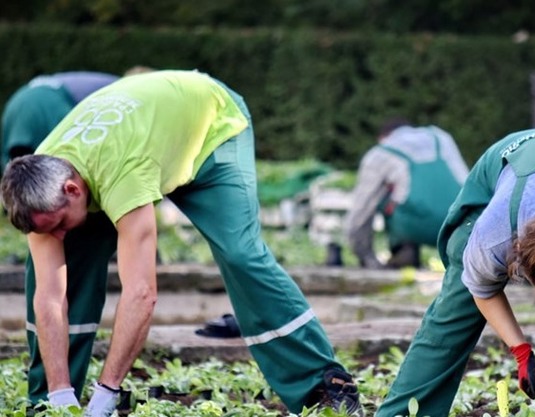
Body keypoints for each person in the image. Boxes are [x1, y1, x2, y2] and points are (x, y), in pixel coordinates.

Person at [0, 70, 362, 416]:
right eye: (47, 230)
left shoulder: (123, 172)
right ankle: (49, 402)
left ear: (72, 189)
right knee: (71, 260)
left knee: (241, 255)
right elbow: (48, 298)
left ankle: (323, 385)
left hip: (210, 127)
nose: (57, 236)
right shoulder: (36, 182)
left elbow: (141, 292)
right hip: (145, 136)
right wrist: (59, 393)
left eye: (60, 224)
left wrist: (108, 392)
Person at [375, 128, 535, 417]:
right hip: (508, 159)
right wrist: (521, 352)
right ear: (514, 255)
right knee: (457, 300)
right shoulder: (493, 236)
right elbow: (482, 289)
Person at [344, 120, 468, 269]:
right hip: (460, 222)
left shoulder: (380, 153)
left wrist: (363, 254)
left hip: (417, 225)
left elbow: (361, 210)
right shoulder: (441, 138)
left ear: (383, 137)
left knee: (385, 195)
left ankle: (404, 251)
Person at [1, 71, 119, 173]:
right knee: (74, 159)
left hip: (16, 102)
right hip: (49, 102)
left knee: (14, 172)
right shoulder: (118, 85)